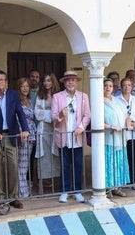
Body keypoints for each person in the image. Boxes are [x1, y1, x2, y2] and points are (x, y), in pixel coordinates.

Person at [0, 70, 29, 209]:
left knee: (13, 166)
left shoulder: (14, 95)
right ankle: (0, 198)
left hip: (11, 135)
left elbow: (20, 112)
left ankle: (14, 197)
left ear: (6, 82)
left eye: (2, 80)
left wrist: (25, 129)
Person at [52, 71, 91, 203]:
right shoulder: (57, 97)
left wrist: (81, 127)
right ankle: (64, 191)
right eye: (68, 80)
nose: (71, 82)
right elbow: (53, 117)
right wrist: (61, 115)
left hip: (77, 136)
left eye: (73, 80)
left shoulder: (83, 96)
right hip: (63, 136)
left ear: (77, 82)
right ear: (64, 82)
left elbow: (87, 115)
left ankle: (77, 191)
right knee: (64, 165)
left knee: (78, 164)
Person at [103, 78, 130, 197]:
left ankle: (117, 187)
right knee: (109, 162)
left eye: (110, 85)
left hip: (120, 137)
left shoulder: (117, 101)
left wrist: (129, 123)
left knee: (118, 162)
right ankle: (107, 188)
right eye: (105, 85)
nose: (108, 88)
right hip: (108, 137)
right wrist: (111, 126)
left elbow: (126, 115)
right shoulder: (99, 102)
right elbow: (97, 121)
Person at [117, 77, 135, 190]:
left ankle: (133, 181)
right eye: (124, 85)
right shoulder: (116, 100)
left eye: (129, 85)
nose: (126, 87)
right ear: (121, 87)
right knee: (124, 158)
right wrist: (127, 122)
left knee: (134, 158)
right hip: (123, 134)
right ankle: (122, 182)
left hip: (134, 133)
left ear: (132, 87)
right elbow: (117, 115)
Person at [34, 73, 61, 189]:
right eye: (45, 81)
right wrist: (53, 115)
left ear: (53, 82)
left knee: (55, 154)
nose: (46, 83)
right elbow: (37, 113)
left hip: (56, 128)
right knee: (43, 155)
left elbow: (61, 114)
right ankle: (43, 181)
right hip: (43, 129)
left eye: (49, 80)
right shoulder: (40, 95)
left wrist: (48, 113)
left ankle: (55, 182)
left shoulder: (59, 96)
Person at [17, 78, 37, 197]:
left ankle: (23, 189)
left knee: (26, 164)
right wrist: (21, 134)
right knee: (22, 164)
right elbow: (16, 118)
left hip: (31, 133)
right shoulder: (17, 101)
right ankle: (22, 191)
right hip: (23, 134)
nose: (25, 88)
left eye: (27, 86)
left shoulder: (29, 100)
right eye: (22, 86)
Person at [28, 69, 40, 185]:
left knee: (41, 155)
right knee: (30, 156)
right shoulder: (25, 92)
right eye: (32, 76)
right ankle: (29, 179)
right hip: (29, 129)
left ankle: (42, 180)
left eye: (36, 77)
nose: (34, 79)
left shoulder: (42, 93)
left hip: (41, 128)